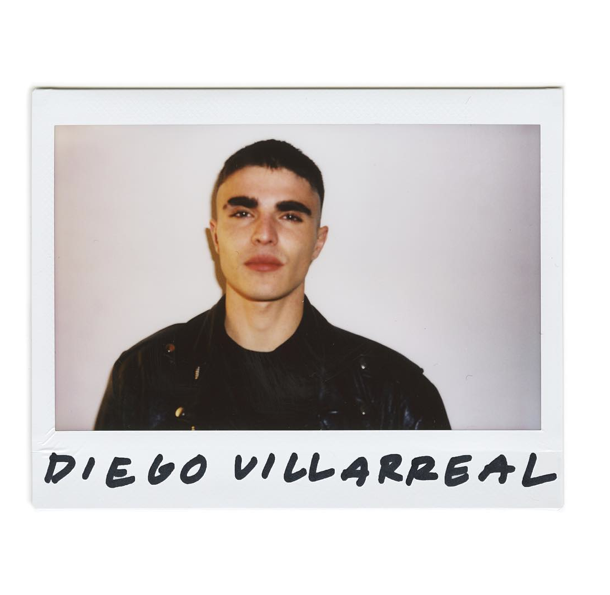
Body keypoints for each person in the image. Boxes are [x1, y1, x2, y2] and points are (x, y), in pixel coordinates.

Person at [95, 139, 450, 431]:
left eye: (290, 215)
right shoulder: (143, 374)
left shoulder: (395, 391)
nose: (264, 234)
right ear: (216, 237)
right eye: (243, 213)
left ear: (318, 243)